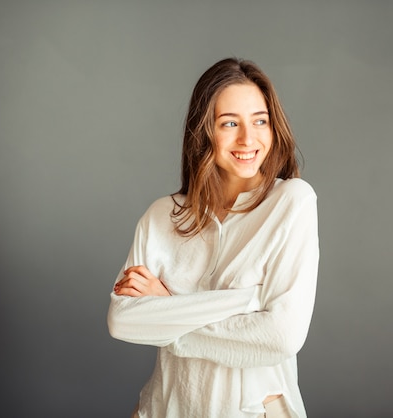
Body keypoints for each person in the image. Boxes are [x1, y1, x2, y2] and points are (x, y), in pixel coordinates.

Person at [107, 57, 319, 418]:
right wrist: (245, 302)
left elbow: (281, 338)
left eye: (260, 121)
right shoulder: (162, 216)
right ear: (204, 130)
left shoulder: (293, 202)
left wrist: (168, 307)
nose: (247, 138)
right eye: (230, 123)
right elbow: (122, 320)